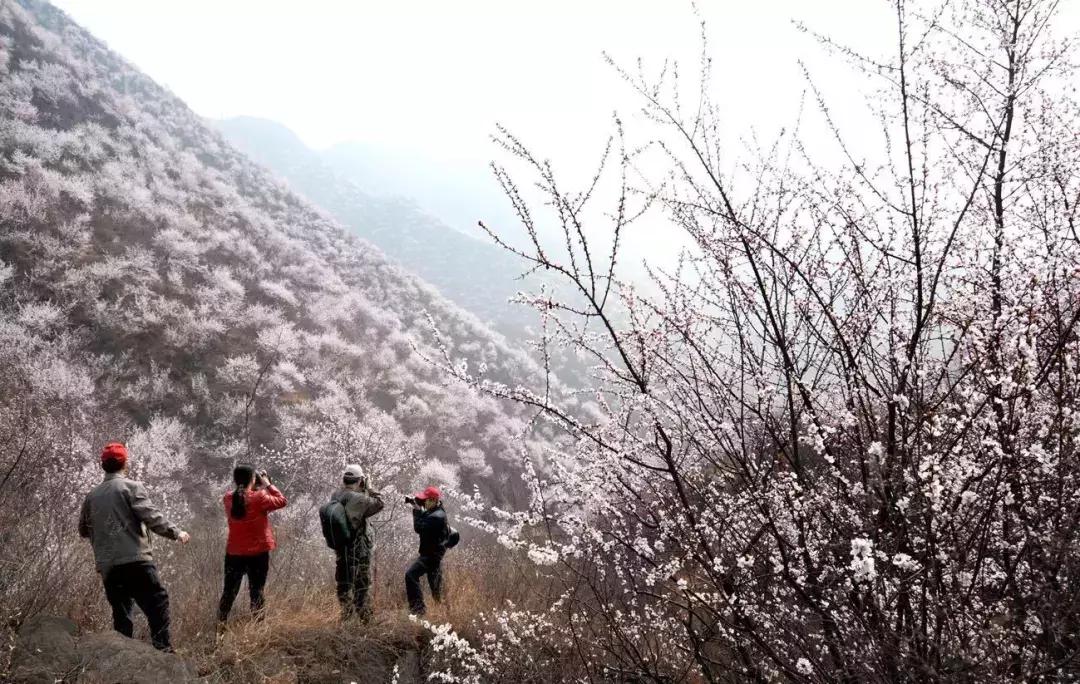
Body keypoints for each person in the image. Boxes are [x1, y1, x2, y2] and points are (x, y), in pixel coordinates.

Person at [78, 442, 191, 652]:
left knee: (122, 616)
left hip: (109, 566)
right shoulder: (131, 487)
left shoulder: (91, 497)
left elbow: (83, 530)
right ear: (125, 463)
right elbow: (151, 517)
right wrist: (176, 532)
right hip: (136, 561)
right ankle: (163, 653)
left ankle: (124, 660)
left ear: (102, 465)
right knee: (158, 604)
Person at [218, 464, 287, 624]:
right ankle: (258, 628)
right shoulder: (260, 497)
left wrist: (254, 486)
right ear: (253, 479)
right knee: (257, 592)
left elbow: (244, 498)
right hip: (258, 554)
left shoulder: (228, 498)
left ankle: (220, 626)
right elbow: (282, 501)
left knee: (229, 593)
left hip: (234, 553)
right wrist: (268, 484)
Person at [331, 464, 384, 620]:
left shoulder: (336, 495)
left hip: (341, 549)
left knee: (344, 583)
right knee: (362, 585)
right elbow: (380, 503)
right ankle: (365, 619)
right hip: (358, 550)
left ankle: (346, 616)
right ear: (360, 481)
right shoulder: (360, 499)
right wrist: (369, 487)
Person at [405, 486, 448, 616]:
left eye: (426, 500)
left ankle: (418, 611)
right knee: (436, 589)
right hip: (434, 555)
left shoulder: (437, 517)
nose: (424, 502)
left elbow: (419, 527)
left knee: (410, 575)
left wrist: (416, 510)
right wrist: (417, 505)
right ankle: (444, 614)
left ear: (433, 500)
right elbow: (427, 516)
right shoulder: (437, 510)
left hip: (430, 556)